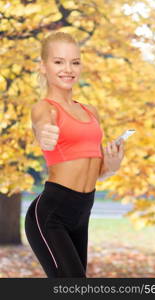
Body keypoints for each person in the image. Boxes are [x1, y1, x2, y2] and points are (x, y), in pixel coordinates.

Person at [24, 31, 125, 278]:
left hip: (82, 211)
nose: (68, 69)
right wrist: (42, 134)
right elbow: (41, 125)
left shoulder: (91, 112)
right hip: (51, 214)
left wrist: (110, 167)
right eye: (58, 61)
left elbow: (93, 171)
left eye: (74, 62)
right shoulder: (45, 108)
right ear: (43, 67)